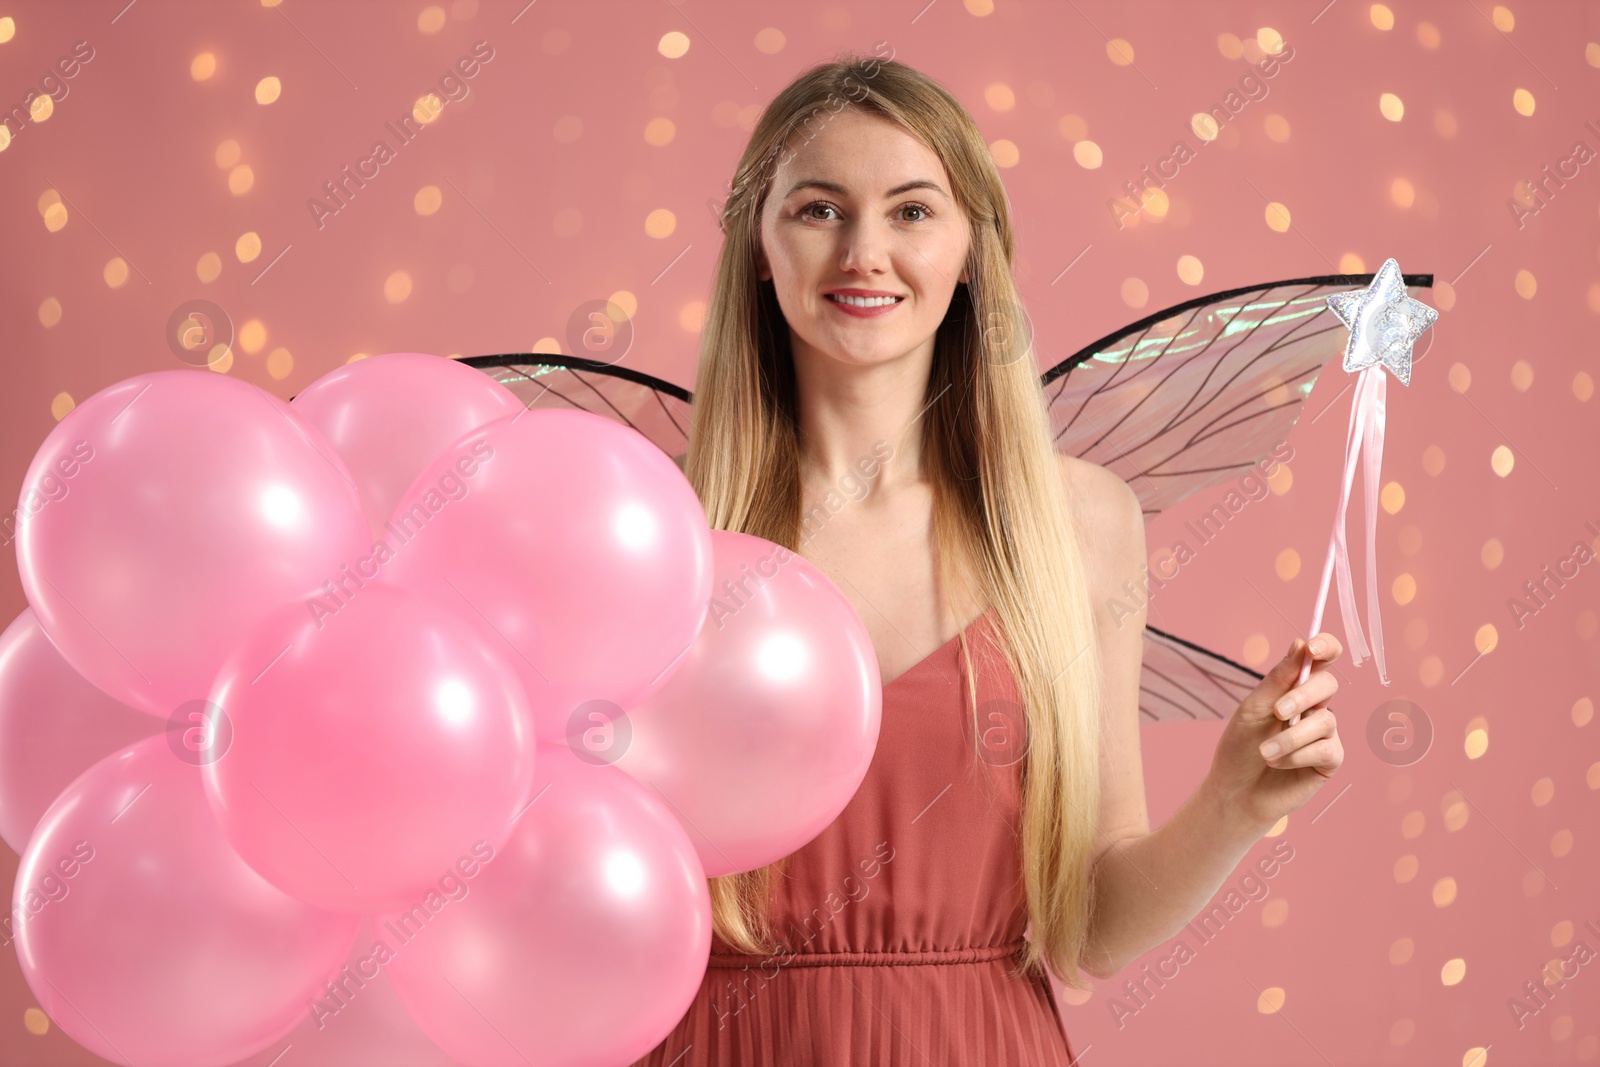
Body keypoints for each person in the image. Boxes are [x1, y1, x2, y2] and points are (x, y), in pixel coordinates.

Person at [634, 54, 1345, 1066]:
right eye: (817, 209)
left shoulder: (1075, 521)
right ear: (757, 244)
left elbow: (1088, 926)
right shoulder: (652, 525)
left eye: (913, 212)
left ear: (973, 250)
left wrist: (1232, 800)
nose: (864, 251)